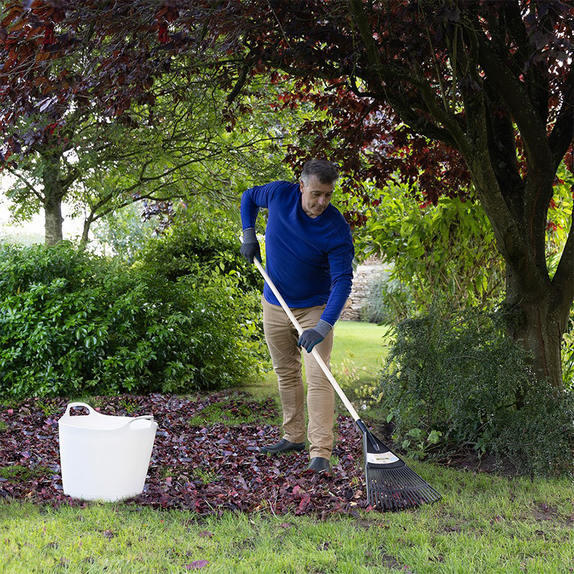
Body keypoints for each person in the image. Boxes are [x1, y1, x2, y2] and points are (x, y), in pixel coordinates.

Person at [240, 159, 354, 472]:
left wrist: (323, 325)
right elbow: (248, 197)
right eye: (316, 193)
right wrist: (249, 233)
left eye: (328, 195)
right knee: (286, 372)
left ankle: (320, 453)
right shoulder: (278, 195)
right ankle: (293, 436)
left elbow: (343, 280)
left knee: (319, 378)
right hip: (274, 302)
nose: (322, 202)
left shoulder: (336, 228)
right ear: (300, 185)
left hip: (314, 308)